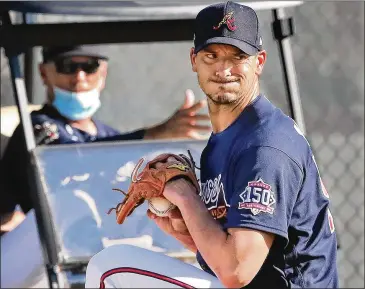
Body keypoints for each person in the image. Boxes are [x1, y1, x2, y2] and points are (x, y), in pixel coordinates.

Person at [85, 1, 339, 288]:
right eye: (212, 55)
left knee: (108, 267)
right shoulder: (227, 140)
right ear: (194, 60)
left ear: (260, 62)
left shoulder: (265, 149)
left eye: (238, 56)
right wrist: (187, 230)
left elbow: (237, 271)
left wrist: (184, 195)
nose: (224, 69)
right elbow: (229, 257)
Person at [0, 45, 210, 288]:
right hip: (16, 261)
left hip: (78, 262)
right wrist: (153, 135)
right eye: (67, 67)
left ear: (103, 73)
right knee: (68, 202)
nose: (79, 77)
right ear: (44, 73)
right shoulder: (36, 129)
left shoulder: (110, 135)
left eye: (88, 67)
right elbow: (69, 161)